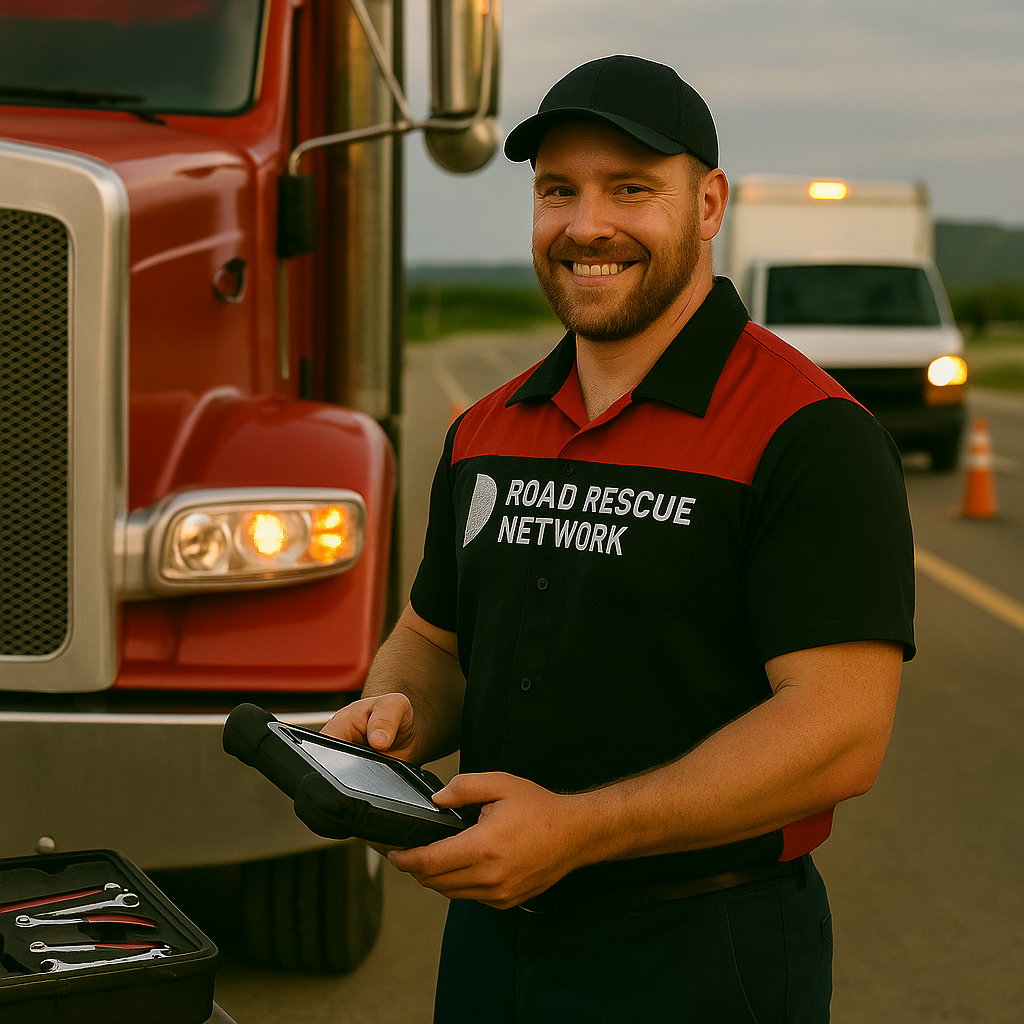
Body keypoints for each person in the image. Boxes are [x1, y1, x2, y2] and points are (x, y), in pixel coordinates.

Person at [324, 55, 915, 1023]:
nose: (586, 224)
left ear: (710, 202)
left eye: (630, 188)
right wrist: (388, 721)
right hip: (493, 940)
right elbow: (435, 643)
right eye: (558, 190)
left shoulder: (809, 433)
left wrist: (578, 830)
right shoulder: (487, 429)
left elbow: (838, 733)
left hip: (700, 949)